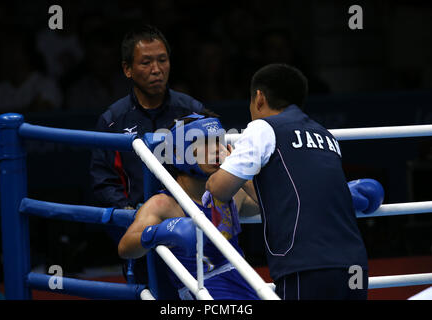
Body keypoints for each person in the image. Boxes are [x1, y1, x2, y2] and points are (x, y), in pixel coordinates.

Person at [206, 63, 384, 300]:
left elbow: (220, 189)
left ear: (259, 98)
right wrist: (247, 181)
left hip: (305, 264)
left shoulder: (263, 128)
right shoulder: (325, 135)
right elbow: (285, 197)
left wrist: (227, 164)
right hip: (353, 263)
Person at [90, 24, 204, 282]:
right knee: (145, 292)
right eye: (146, 62)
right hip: (140, 228)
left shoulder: (192, 111)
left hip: (191, 226)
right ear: (127, 69)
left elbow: (214, 166)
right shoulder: (112, 120)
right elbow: (103, 180)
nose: (156, 70)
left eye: (162, 60)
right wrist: (130, 212)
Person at [118, 112, 260, 300]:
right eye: (205, 143)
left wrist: (240, 172)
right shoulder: (165, 204)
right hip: (201, 291)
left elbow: (271, 207)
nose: (216, 149)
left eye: (219, 141)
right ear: (178, 152)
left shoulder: (231, 194)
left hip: (246, 283)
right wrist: (161, 231)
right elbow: (125, 248)